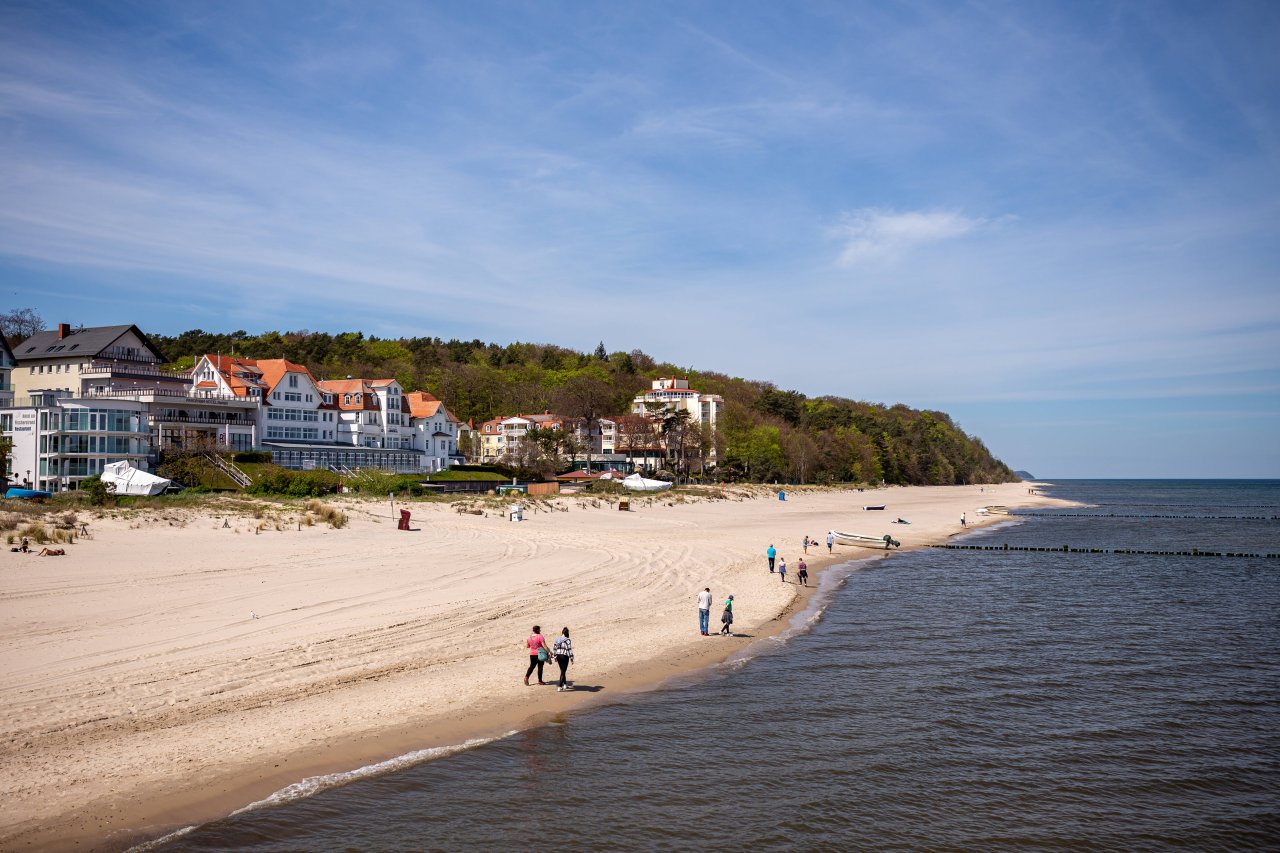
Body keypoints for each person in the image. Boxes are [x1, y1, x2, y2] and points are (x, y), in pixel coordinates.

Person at [552, 627, 574, 691]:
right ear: (567, 633)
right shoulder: (567, 640)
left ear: (562, 632)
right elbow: (569, 649)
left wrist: (555, 657)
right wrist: (572, 658)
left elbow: (554, 648)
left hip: (558, 656)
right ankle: (559, 686)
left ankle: (565, 684)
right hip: (565, 656)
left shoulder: (557, 639)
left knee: (562, 670)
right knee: (563, 671)